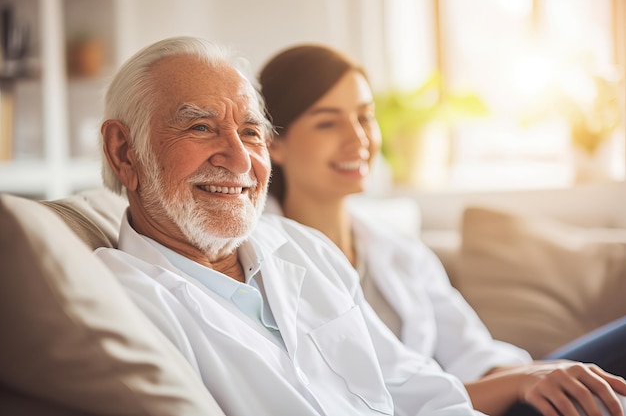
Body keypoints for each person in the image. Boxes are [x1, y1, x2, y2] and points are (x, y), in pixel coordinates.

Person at [94, 35, 484, 416]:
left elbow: (416, 388)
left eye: (250, 132)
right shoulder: (121, 302)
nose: (241, 161)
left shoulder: (304, 247)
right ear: (124, 153)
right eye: (201, 127)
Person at [258, 43, 626, 416]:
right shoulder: (265, 264)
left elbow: (473, 354)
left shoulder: (394, 247)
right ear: (273, 144)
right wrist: (519, 384)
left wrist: (538, 374)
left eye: (365, 117)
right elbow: (374, 401)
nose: (359, 139)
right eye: (327, 122)